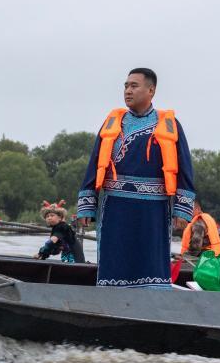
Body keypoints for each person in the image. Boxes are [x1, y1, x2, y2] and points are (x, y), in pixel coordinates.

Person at [77, 68, 195, 287]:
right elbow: (94, 164)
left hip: (153, 209)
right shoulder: (112, 123)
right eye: (125, 86)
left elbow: (184, 169)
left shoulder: (169, 125)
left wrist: (182, 210)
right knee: (114, 259)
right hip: (114, 207)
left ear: (151, 90)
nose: (128, 91)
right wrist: (86, 205)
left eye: (134, 86)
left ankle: (153, 300)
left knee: (150, 262)